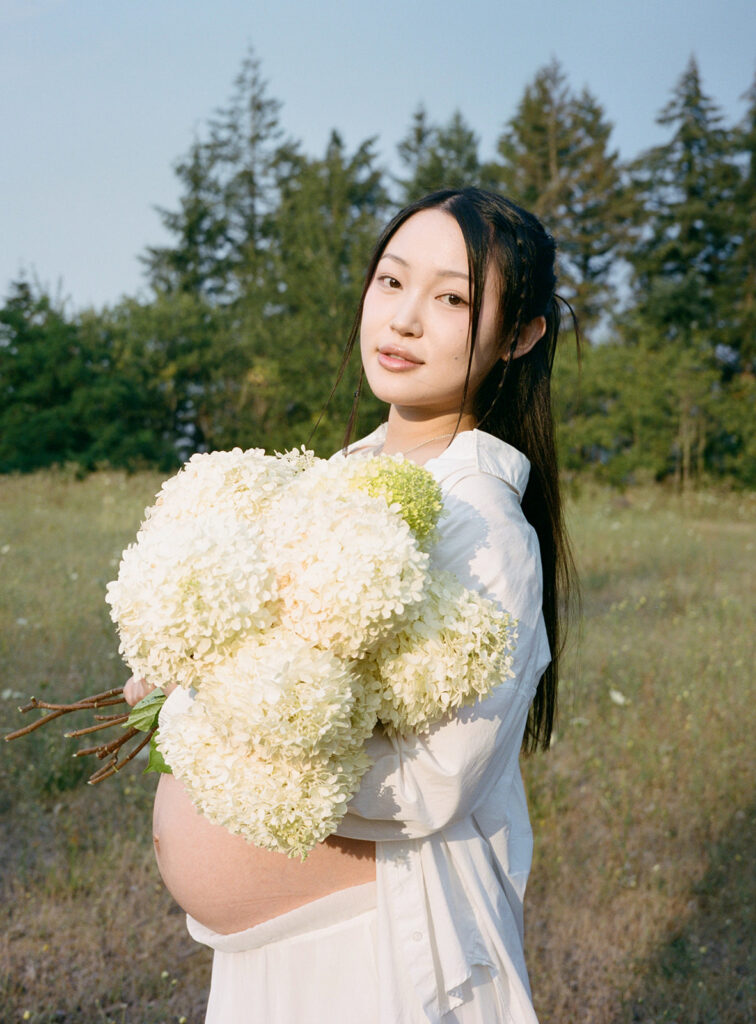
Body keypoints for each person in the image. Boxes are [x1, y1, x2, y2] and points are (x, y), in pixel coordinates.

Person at [125, 186, 578, 1023]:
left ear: (520, 336)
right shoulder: (343, 474)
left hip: (371, 959)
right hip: (286, 953)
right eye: (391, 282)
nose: (404, 320)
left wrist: (205, 725)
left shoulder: (482, 525)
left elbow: (437, 783)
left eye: (452, 299)